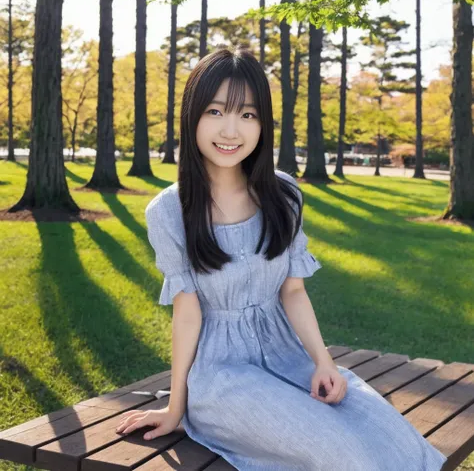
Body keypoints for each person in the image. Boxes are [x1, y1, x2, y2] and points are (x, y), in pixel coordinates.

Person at [114, 46, 448, 471]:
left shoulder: (283, 194)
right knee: (338, 449)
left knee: (387, 434)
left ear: (263, 124)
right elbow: (187, 313)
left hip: (288, 352)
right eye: (216, 112)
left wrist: (324, 363)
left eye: (248, 115)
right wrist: (176, 406)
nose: (231, 130)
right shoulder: (169, 211)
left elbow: (293, 291)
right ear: (192, 116)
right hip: (223, 375)